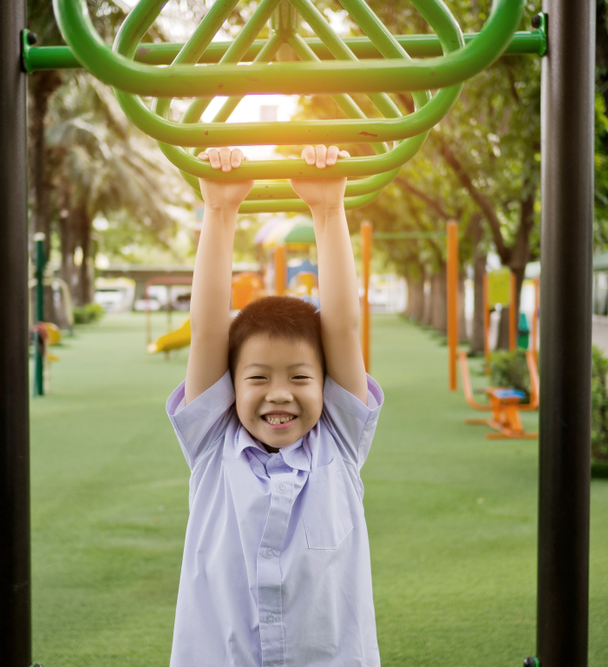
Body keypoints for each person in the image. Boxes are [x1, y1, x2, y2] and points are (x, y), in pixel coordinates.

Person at [164, 145, 383, 667]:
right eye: (258, 378)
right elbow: (208, 330)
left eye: (300, 377)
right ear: (230, 386)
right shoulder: (211, 444)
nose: (279, 394)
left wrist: (329, 210)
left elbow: (344, 326)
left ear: (326, 384)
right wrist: (219, 212)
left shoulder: (341, 441)